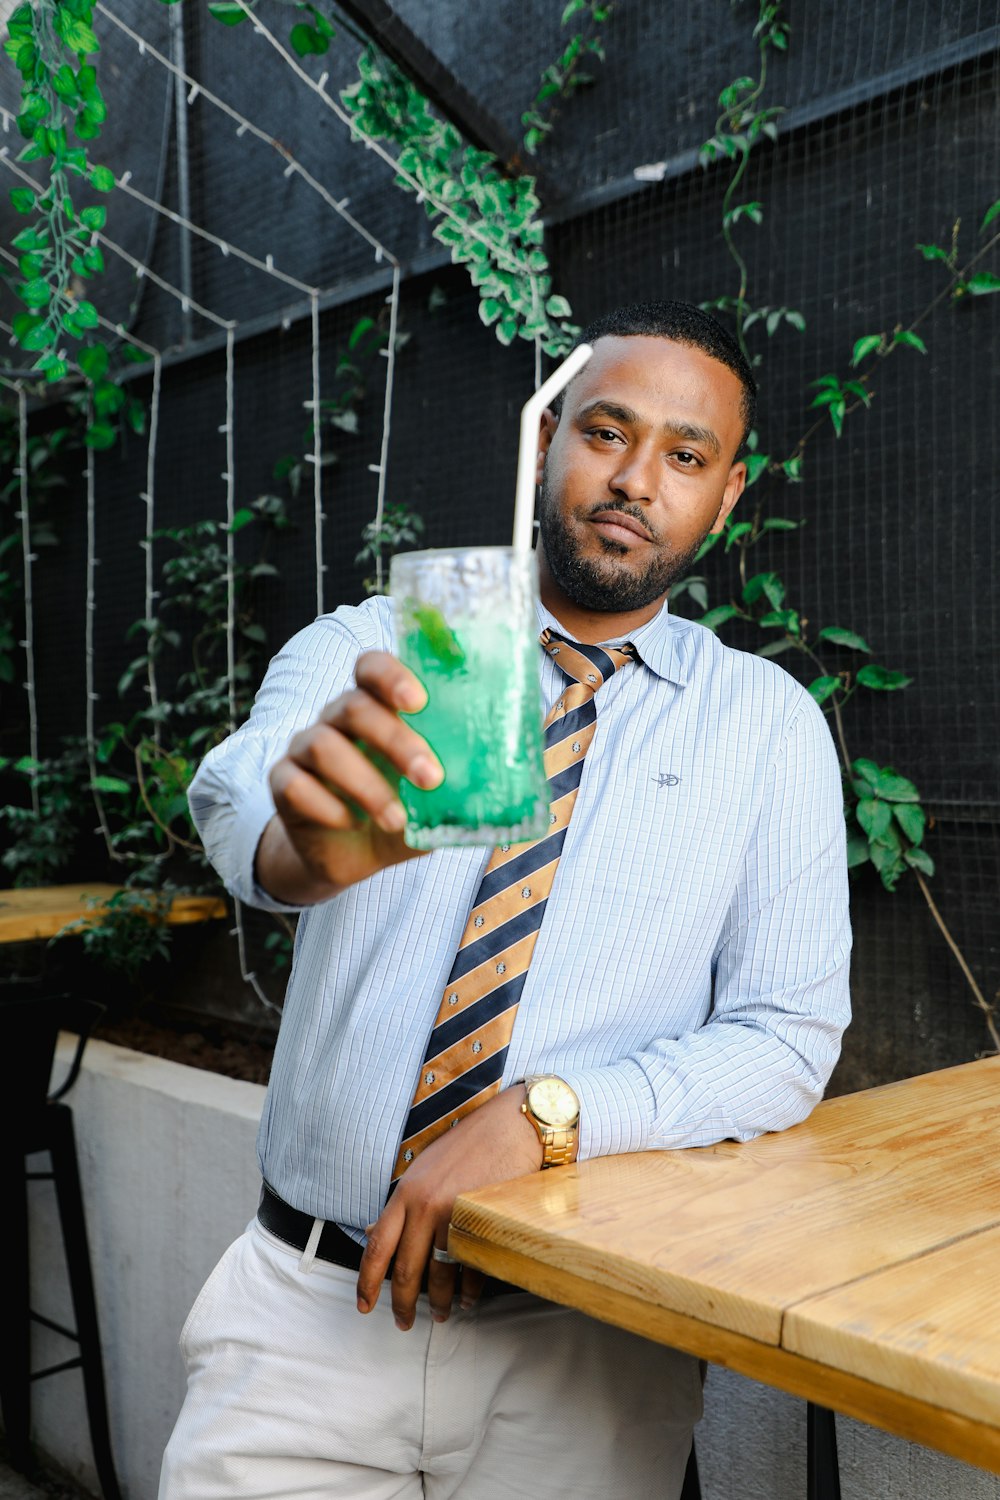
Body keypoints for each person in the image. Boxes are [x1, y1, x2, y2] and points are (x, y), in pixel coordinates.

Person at [159, 301, 851, 1500]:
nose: (635, 479)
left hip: (586, 1342)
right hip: (316, 1313)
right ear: (544, 446)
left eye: (684, 457)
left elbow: (788, 1038)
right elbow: (239, 803)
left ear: (726, 496)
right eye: (605, 432)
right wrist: (303, 850)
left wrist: (551, 1114)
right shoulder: (388, 641)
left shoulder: (766, 726)